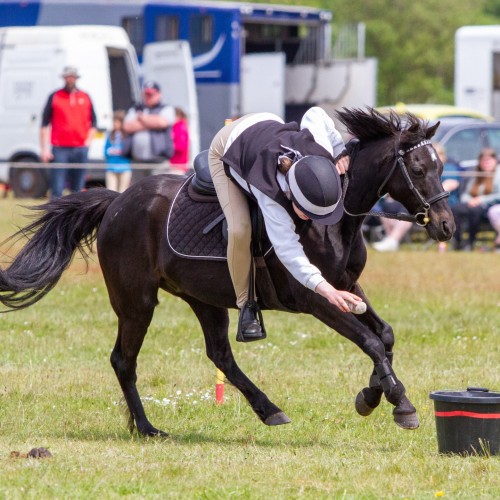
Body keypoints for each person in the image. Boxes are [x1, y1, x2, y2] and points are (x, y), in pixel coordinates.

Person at [208, 106, 363, 342]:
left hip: (266, 120)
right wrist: (326, 290)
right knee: (240, 229)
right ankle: (246, 303)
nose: (312, 220)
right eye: (308, 212)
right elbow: (288, 251)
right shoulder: (272, 198)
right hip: (225, 147)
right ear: (291, 195)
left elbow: (315, 113)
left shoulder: (320, 151)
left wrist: (340, 150)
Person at [40, 66, 97, 199]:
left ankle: (75, 218)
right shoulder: (55, 96)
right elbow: (44, 123)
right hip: (60, 149)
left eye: (72, 76)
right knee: (57, 187)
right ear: (64, 78)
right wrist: (44, 149)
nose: (70, 79)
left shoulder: (85, 96)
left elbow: (94, 123)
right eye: (67, 77)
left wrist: (88, 142)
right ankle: (55, 217)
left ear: (76, 78)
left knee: (78, 189)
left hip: (80, 148)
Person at [452, 148, 500, 251]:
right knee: (455, 209)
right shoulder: (476, 173)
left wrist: (481, 199)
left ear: (495, 160)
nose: (486, 163)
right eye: (483, 160)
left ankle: (470, 242)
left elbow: (498, 195)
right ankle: (457, 242)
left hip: (488, 206)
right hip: (472, 203)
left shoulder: (498, 174)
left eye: (489, 160)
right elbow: (466, 193)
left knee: (475, 212)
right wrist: (469, 200)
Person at [123, 81, 175, 167]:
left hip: (158, 160)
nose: (148, 97)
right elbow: (127, 126)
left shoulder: (166, 108)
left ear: (159, 94)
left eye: (151, 94)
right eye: (146, 94)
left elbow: (161, 123)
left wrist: (141, 118)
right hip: (137, 160)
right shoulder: (135, 108)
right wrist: (151, 123)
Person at [104, 110, 132, 193]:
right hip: (111, 168)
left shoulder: (127, 136)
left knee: (123, 192)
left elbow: (128, 150)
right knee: (111, 192)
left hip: (124, 168)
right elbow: (105, 151)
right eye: (114, 121)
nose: (115, 124)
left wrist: (121, 151)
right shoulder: (110, 135)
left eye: (117, 121)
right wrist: (110, 151)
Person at [169, 107, 190, 174]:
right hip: (175, 165)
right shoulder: (177, 127)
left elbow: (181, 146)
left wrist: (167, 147)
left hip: (178, 165)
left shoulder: (180, 127)